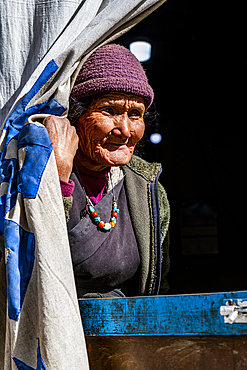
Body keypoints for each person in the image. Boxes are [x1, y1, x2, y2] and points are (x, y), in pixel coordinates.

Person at [43, 44, 170, 298]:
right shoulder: (46, 170)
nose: (125, 130)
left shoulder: (148, 191)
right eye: (109, 111)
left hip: (122, 333)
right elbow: (31, 255)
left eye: (135, 114)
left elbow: (160, 286)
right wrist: (56, 178)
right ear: (76, 114)